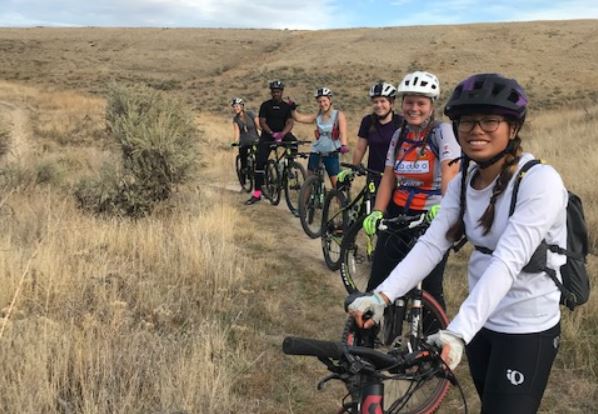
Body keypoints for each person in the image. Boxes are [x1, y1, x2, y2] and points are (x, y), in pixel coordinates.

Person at [348, 73, 565, 414]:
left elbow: (508, 261)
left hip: (527, 325)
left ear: (513, 127)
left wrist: (457, 332)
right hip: (482, 322)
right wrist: (382, 295)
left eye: (490, 120)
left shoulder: (540, 181)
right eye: (466, 121)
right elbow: (433, 244)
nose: (476, 129)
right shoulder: (466, 177)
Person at [361, 71, 461, 309]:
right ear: (402, 103)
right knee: (378, 281)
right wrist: (377, 211)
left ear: (431, 105)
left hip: (431, 216)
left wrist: (445, 206)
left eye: (421, 103)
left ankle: (430, 344)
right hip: (398, 214)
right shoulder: (399, 134)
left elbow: (450, 172)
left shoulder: (442, 133)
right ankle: (365, 338)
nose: (414, 108)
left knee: (429, 289)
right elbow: (388, 176)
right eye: (409, 102)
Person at [337, 82, 403, 189]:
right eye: (375, 102)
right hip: (373, 175)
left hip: (395, 176)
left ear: (391, 103)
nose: (379, 105)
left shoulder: (400, 122)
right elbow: (360, 148)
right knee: (370, 205)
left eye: (383, 101)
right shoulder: (368, 121)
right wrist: (354, 170)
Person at [245, 80, 297, 205]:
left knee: (294, 142)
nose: (276, 94)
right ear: (271, 92)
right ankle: (257, 193)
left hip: (282, 133)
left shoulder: (286, 106)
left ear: (282, 92)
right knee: (260, 162)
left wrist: (282, 134)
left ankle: (289, 165)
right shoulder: (265, 105)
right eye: (274, 92)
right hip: (267, 135)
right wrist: (272, 133)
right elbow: (262, 121)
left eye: (278, 92)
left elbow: (290, 122)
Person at [290, 87, 349, 188]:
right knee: (308, 181)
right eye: (320, 101)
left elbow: (343, 132)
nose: (322, 104)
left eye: (324, 101)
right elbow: (299, 118)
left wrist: (343, 145)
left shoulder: (338, 115)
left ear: (330, 100)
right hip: (317, 150)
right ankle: (306, 203)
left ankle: (341, 203)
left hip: (331, 151)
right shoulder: (317, 115)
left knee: (336, 185)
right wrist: (292, 109)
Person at [231, 97, 260, 186]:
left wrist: (267, 134)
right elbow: (237, 131)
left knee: (260, 159)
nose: (236, 108)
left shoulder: (250, 114)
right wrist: (235, 141)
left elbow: (259, 125)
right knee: (243, 163)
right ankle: (243, 185)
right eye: (234, 106)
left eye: (237, 106)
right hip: (244, 142)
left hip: (255, 140)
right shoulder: (235, 119)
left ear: (242, 106)